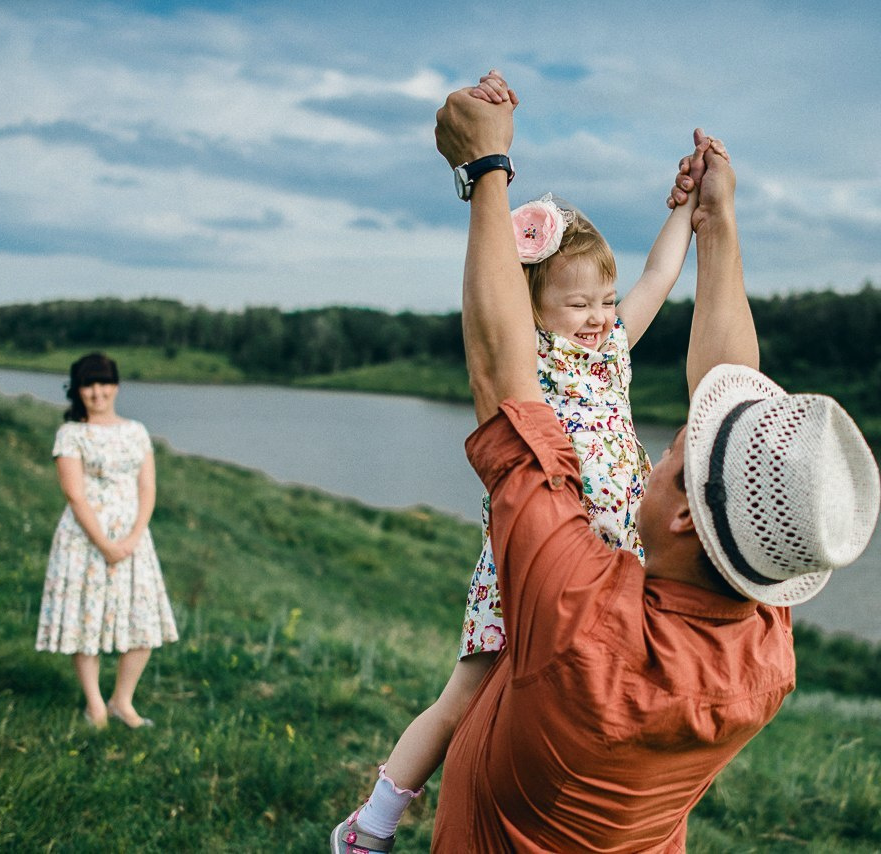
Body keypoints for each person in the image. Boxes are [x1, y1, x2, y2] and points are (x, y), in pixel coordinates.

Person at [412, 70, 877, 850]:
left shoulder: (576, 615)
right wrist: (716, 225)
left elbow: (503, 377)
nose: (660, 454)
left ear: (689, 513)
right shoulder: (763, 644)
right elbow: (739, 418)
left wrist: (485, 170)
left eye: (674, 460)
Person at [332, 78, 702, 852]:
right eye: (581, 305)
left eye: (605, 299)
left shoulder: (611, 352)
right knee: (466, 694)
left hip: (610, 564)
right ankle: (372, 825)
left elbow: (660, 278)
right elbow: (491, 298)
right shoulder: (532, 358)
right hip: (529, 557)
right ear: (533, 305)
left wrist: (684, 211)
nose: (601, 315)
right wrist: (491, 190)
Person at [35, 352, 178, 730]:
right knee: (86, 623)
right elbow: (74, 494)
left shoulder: (136, 431)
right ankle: (95, 705)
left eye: (103, 383)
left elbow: (147, 487)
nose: (97, 392)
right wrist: (104, 543)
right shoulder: (71, 434)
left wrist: (131, 538)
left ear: (115, 386)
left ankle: (122, 702)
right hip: (83, 540)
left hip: (134, 541)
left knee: (142, 622)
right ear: (78, 390)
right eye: (88, 384)